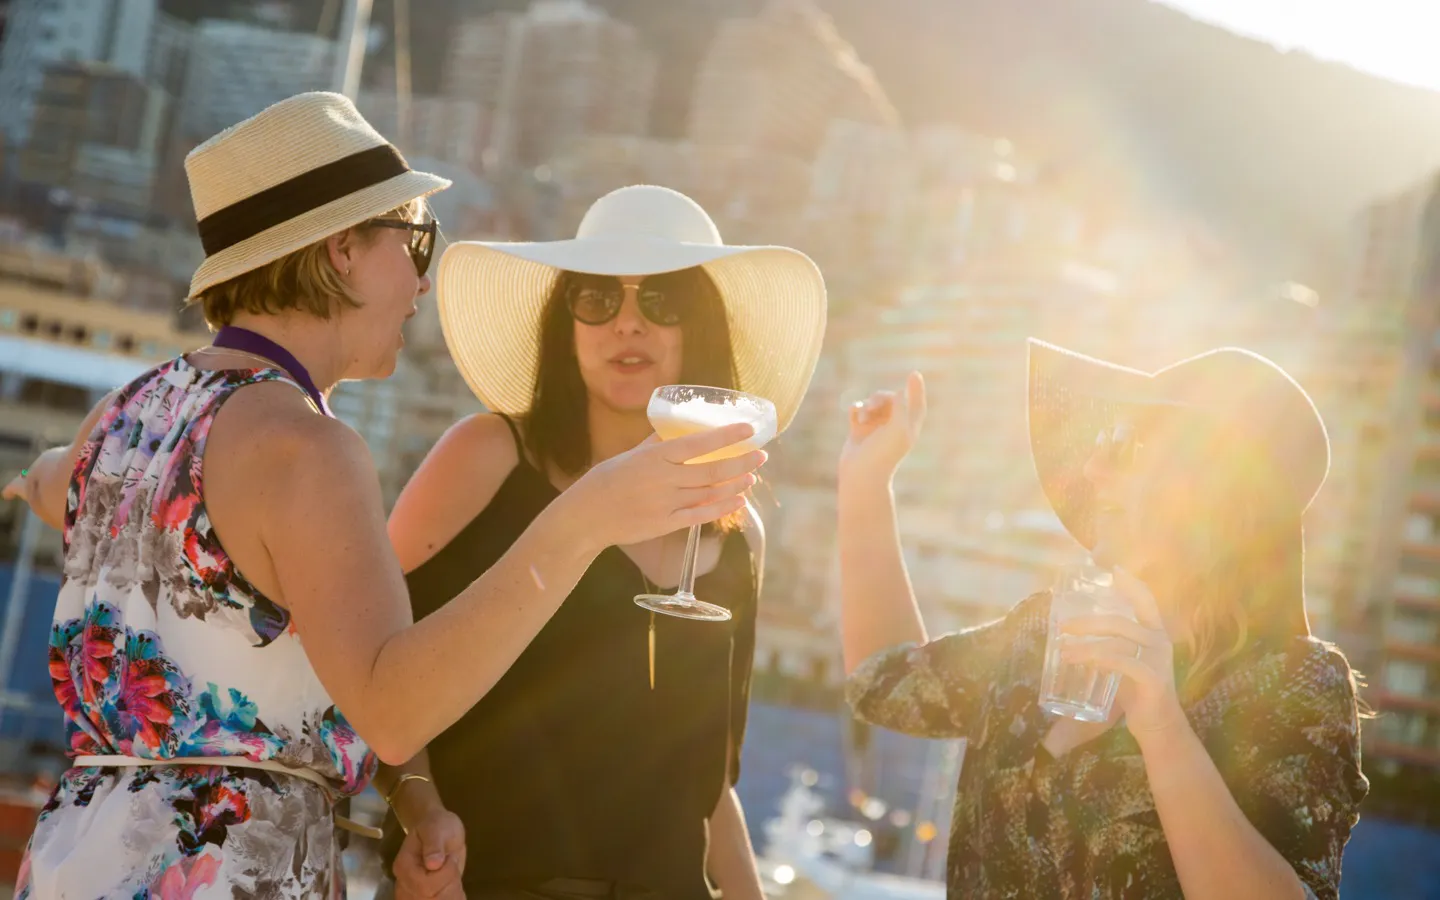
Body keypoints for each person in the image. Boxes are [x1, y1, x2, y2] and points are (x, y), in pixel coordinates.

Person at [0, 97, 764, 899]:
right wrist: (582, 521)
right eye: (416, 241)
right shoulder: (308, 448)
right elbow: (391, 709)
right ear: (342, 251)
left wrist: (418, 795)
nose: (423, 282)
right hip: (221, 871)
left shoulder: (125, 413)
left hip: (75, 855)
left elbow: (53, 481)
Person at [376, 184, 828, 900]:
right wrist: (419, 809)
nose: (626, 326)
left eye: (662, 302)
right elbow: (372, 667)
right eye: (597, 299)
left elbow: (707, 786)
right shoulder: (486, 458)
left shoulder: (737, 536)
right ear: (568, 323)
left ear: (700, 327)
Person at [837, 340, 1369, 899]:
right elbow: (881, 680)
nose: (1093, 468)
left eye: (1126, 446)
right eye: (1102, 441)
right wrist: (867, 478)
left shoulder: (1292, 686)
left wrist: (1162, 724)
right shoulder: (1041, 634)